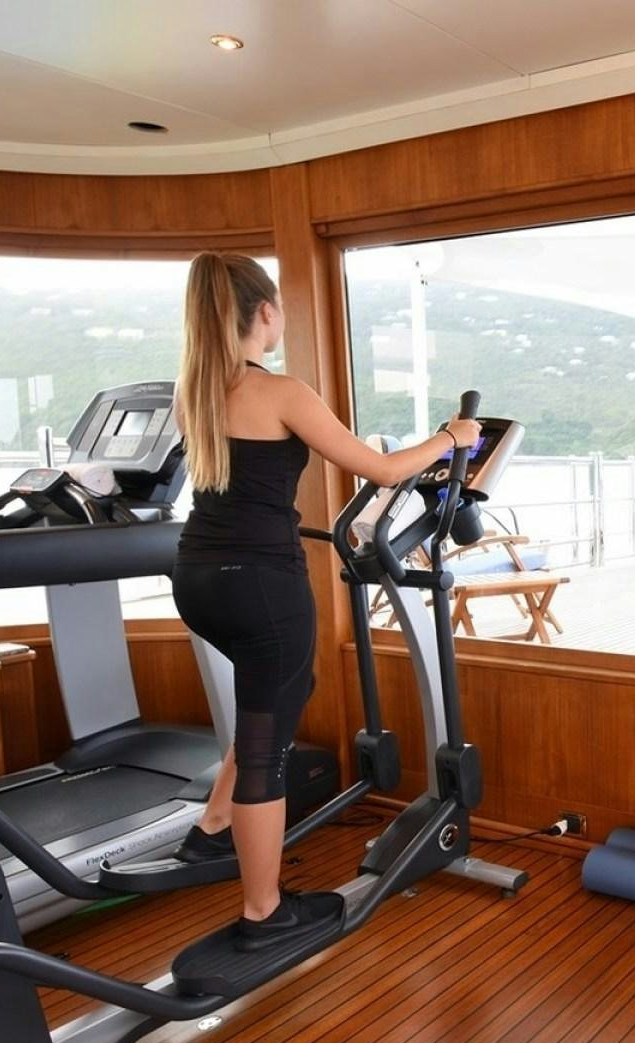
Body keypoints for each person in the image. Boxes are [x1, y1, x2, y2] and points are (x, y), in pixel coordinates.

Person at [170, 252, 480, 950]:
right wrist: (450, 438)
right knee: (267, 747)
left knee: (273, 703)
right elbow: (384, 469)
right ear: (266, 313)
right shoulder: (281, 391)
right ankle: (263, 911)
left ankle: (214, 827)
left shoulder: (192, 392)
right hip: (261, 584)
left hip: (197, 579)